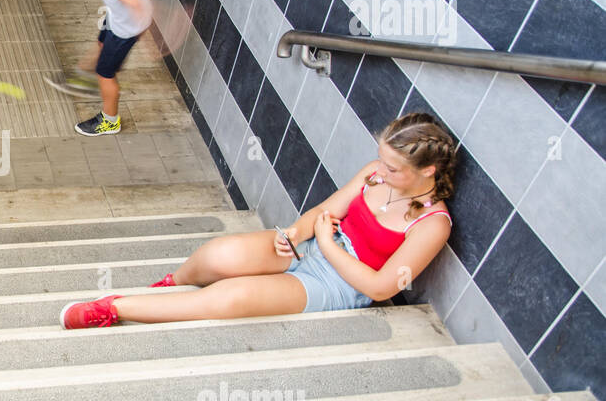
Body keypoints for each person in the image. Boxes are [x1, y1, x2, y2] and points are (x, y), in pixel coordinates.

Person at [60, 113, 456, 328]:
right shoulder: (374, 172)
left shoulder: (433, 225)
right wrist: (294, 235)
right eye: (382, 161)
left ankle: (113, 308)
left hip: (340, 282)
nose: (381, 172)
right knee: (219, 255)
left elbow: (379, 284)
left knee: (231, 298)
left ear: (429, 171)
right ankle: (168, 287)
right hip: (315, 244)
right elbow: (327, 210)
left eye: (394, 169)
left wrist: (327, 243)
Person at [46, 0, 154, 136]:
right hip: (115, 18)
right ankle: (85, 79)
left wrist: (151, 38)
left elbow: (133, 2)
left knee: (105, 73)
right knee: (101, 42)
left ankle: (110, 121)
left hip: (125, 29)